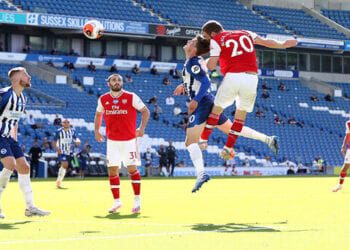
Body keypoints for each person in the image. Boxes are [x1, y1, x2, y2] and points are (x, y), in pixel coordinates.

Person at [173, 35, 279, 192]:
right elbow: (199, 77)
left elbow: (206, 82)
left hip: (203, 103)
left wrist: (194, 100)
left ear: (194, 49)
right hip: (208, 101)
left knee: (190, 142)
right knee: (231, 128)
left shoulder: (193, 62)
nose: (187, 42)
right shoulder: (193, 62)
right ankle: (268, 139)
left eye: (191, 42)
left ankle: (201, 174)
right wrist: (185, 84)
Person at [199, 20, 297, 160]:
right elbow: (265, 41)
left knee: (217, 110)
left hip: (233, 76)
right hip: (251, 78)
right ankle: (228, 148)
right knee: (240, 117)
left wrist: (204, 62)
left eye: (206, 36)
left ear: (213, 33)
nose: (207, 39)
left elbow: (211, 65)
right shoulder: (246, 32)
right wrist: (283, 44)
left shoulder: (217, 40)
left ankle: (203, 140)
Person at [94, 73, 150, 214]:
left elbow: (145, 111)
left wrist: (142, 128)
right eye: (114, 80)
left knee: (131, 169)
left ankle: (137, 200)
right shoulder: (103, 99)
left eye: (119, 80)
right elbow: (98, 114)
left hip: (129, 141)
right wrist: (96, 130)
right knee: (112, 170)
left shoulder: (131, 96)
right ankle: (116, 201)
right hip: (112, 141)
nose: (117, 82)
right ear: (109, 83)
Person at [0, 67, 50, 218]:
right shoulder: (4, 94)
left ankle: (30, 208)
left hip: (9, 137)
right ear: (16, 78)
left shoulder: (22, 99)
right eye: (25, 75)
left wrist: (14, 139)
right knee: (10, 164)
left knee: (24, 167)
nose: (29, 77)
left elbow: (14, 121)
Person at [53, 119, 81, 188]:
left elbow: (76, 138)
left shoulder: (72, 131)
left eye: (67, 122)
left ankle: (59, 181)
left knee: (65, 166)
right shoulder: (59, 131)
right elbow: (54, 141)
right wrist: (57, 149)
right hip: (61, 151)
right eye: (64, 122)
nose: (66, 123)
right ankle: (58, 182)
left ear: (69, 123)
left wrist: (78, 140)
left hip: (69, 151)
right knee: (65, 164)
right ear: (62, 124)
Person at [333, 121, 350, 192]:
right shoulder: (348, 123)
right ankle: (340, 185)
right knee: (345, 167)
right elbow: (348, 135)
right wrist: (343, 146)